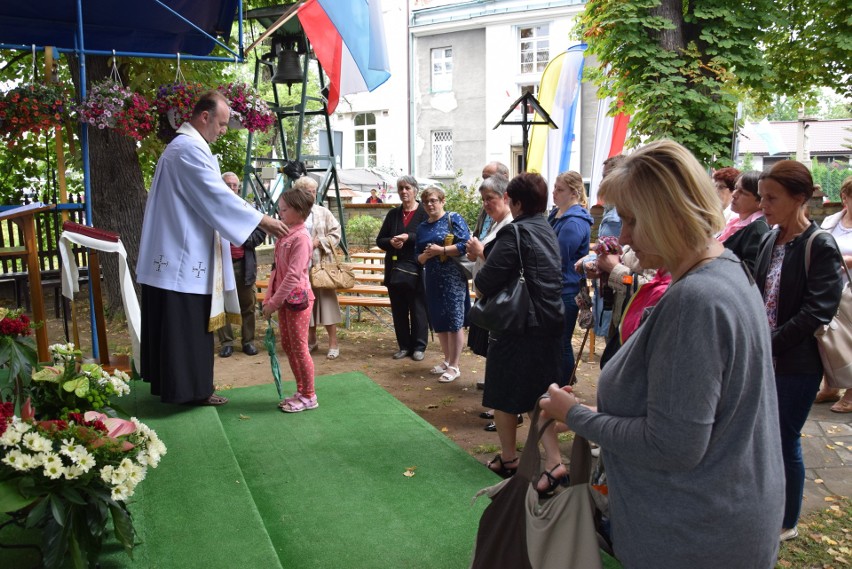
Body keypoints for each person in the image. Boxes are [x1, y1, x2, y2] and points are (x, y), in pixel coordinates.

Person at [541, 140, 784, 568]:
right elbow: (696, 407)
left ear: (674, 214)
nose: (626, 235)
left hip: (694, 532)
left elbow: (673, 446)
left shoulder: (697, 299)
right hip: (720, 514)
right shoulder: (725, 269)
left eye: (634, 219)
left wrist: (575, 416)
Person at [137, 90, 287, 406]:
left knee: (187, 327)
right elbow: (216, 196)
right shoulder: (187, 150)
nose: (222, 130)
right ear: (204, 117)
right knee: (186, 328)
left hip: (183, 252)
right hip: (182, 258)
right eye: (220, 124)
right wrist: (264, 221)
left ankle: (188, 388)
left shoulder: (188, 147)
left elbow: (212, 197)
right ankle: (188, 391)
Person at [753, 160, 844, 540]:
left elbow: (817, 311)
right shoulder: (768, 239)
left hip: (796, 364)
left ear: (800, 198)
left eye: (772, 198)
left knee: (785, 437)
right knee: (761, 436)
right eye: (761, 197)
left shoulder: (819, 244)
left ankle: (786, 521)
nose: (763, 206)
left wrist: (768, 343)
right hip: (762, 358)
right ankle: (762, 505)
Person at [474, 173, 566, 495]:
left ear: (517, 203)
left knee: (504, 394)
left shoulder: (514, 233)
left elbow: (485, 282)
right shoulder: (548, 229)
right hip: (549, 324)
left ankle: (511, 458)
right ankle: (554, 463)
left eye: (509, 199)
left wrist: (480, 272)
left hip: (518, 326)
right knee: (539, 395)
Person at [464, 174, 517, 432]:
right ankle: (500, 407)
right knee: (494, 358)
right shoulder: (494, 223)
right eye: (483, 199)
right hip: (489, 296)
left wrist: (479, 251)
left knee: (504, 360)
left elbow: (502, 264)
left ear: (505, 198)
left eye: (490, 199)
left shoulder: (510, 225)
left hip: (503, 301)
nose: (486, 204)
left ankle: (508, 411)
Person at [261, 186, 317, 413]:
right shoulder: (286, 234)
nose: (280, 211)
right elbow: (276, 271)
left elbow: (294, 275)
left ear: (299, 210)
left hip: (298, 301)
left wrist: (273, 303)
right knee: (289, 345)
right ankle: (301, 390)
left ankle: (309, 395)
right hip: (284, 300)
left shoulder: (301, 238)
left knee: (300, 347)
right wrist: (269, 298)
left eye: (285, 208)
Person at [415, 186, 471, 383]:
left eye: (433, 200)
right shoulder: (422, 227)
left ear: (442, 200)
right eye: (426, 202)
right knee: (439, 320)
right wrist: (427, 254)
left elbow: (466, 244)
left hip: (453, 277)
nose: (430, 205)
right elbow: (418, 257)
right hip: (431, 276)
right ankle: (447, 360)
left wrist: (442, 250)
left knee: (454, 320)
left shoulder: (453, 218)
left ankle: (455, 365)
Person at [376, 176, 429, 361]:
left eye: (407, 188)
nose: (403, 192)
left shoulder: (424, 212)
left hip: (417, 268)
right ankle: (404, 346)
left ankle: (419, 346)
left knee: (418, 309)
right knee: (398, 310)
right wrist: (391, 242)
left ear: (415, 190)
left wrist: (409, 238)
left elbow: (429, 237)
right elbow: (379, 240)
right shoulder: (393, 214)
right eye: (400, 188)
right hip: (395, 270)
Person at [547, 171, 592, 385]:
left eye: (559, 189)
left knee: (562, 342)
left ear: (574, 193)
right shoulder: (557, 214)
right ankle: (561, 382)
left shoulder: (574, 221)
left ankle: (564, 385)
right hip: (555, 289)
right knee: (555, 341)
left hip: (565, 290)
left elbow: (557, 257)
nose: (554, 192)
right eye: (554, 187)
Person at [217, 172, 266, 358]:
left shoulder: (247, 208)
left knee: (248, 304)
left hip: (243, 265)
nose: (231, 188)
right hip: (220, 265)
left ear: (238, 187)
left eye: (234, 185)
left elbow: (261, 233)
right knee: (222, 305)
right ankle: (227, 342)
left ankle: (248, 341)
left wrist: (243, 238)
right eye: (227, 184)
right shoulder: (213, 207)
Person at [814, 175, 852, 413]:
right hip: (831, 286)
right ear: (844, 197)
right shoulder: (831, 220)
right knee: (826, 338)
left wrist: (848, 260)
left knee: (849, 340)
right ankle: (830, 386)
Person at [294, 176, 343, 360]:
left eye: (314, 192)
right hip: (301, 268)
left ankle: (333, 343)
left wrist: (317, 242)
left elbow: (336, 234)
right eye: (307, 192)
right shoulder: (294, 213)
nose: (311, 195)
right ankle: (312, 340)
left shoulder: (323, 212)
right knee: (306, 304)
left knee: (327, 304)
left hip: (321, 266)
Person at [717, 170, 769, 272]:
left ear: (760, 200)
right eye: (736, 188)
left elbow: (749, 272)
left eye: (742, 192)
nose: (734, 194)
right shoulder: (736, 222)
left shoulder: (758, 229)